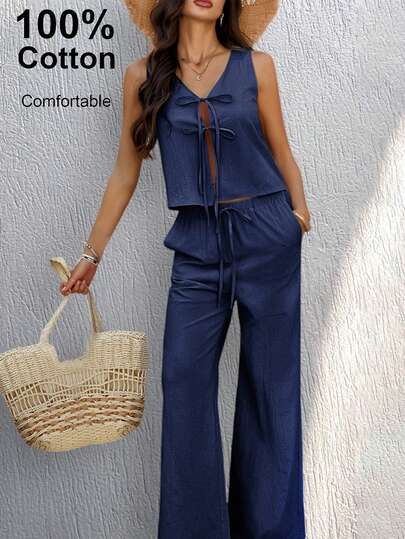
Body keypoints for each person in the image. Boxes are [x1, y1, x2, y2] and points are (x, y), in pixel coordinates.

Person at [60, 1, 311, 537]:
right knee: (183, 383)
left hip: (268, 236)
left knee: (271, 389)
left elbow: (281, 149)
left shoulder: (257, 66)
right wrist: (92, 254)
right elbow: (125, 172)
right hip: (196, 246)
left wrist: (298, 215)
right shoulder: (143, 77)